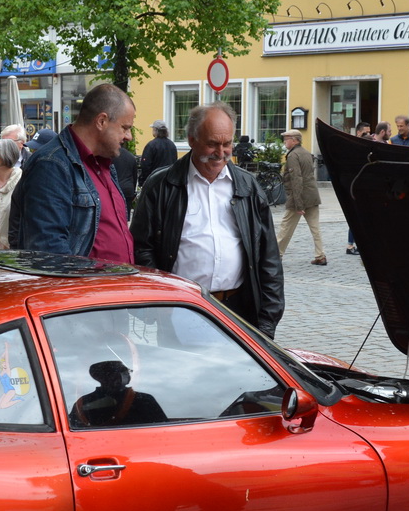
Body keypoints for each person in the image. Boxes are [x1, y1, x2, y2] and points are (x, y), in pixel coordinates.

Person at [130, 102, 284, 336]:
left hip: (238, 308)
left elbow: (268, 255)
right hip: (181, 308)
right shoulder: (162, 185)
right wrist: (160, 302)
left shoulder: (247, 186)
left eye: (227, 144)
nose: (221, 153)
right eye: (212, 144)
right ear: (192, 140)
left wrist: (267, 321)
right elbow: (142, 248)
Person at [9, 84, 135, 261]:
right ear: (101, 121)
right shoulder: (52, 164)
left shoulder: (103, 164)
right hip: (87, 287)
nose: (128, 136)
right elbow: (48, 251)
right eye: (125, 127)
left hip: (114, 285)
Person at [277, 129, 327, 266]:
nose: (285, 141)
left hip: (298, 197)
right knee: (315, 228)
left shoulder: (293, 156)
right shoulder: (306, 153)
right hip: (312, 195)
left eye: (287, 139)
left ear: (295, 140)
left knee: (285, 228)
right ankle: (320, 255)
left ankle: (276, 255)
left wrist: (298, 204)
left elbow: (296, 179)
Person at [71, 360, 169, 427]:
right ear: (110, 377)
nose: (128, 374)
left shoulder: (82, 402)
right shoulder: (143, 400)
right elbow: (164, 429)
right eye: (124, 372)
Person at [140, 119, 177, 189]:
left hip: (155, 181)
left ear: (156, 131)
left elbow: (145, 165)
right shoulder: (172, 145)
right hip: (169, 182)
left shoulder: (151, 145)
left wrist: (144, 180)